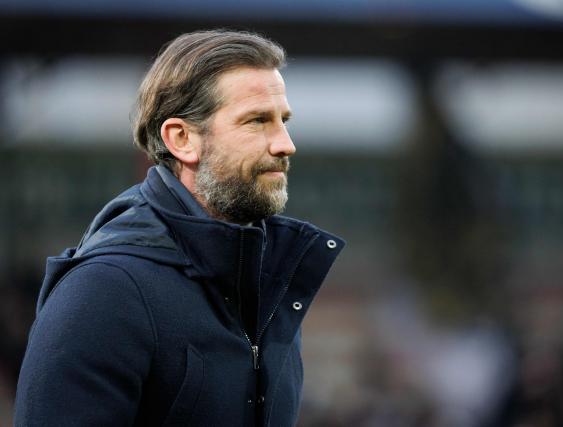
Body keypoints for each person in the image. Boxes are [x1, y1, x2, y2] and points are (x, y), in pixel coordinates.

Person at [14, 29, 344, 426]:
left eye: (283, 120)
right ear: (182, 139)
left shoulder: (267, 287)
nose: (285, 143)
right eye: (257, 121)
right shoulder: (104, 291)